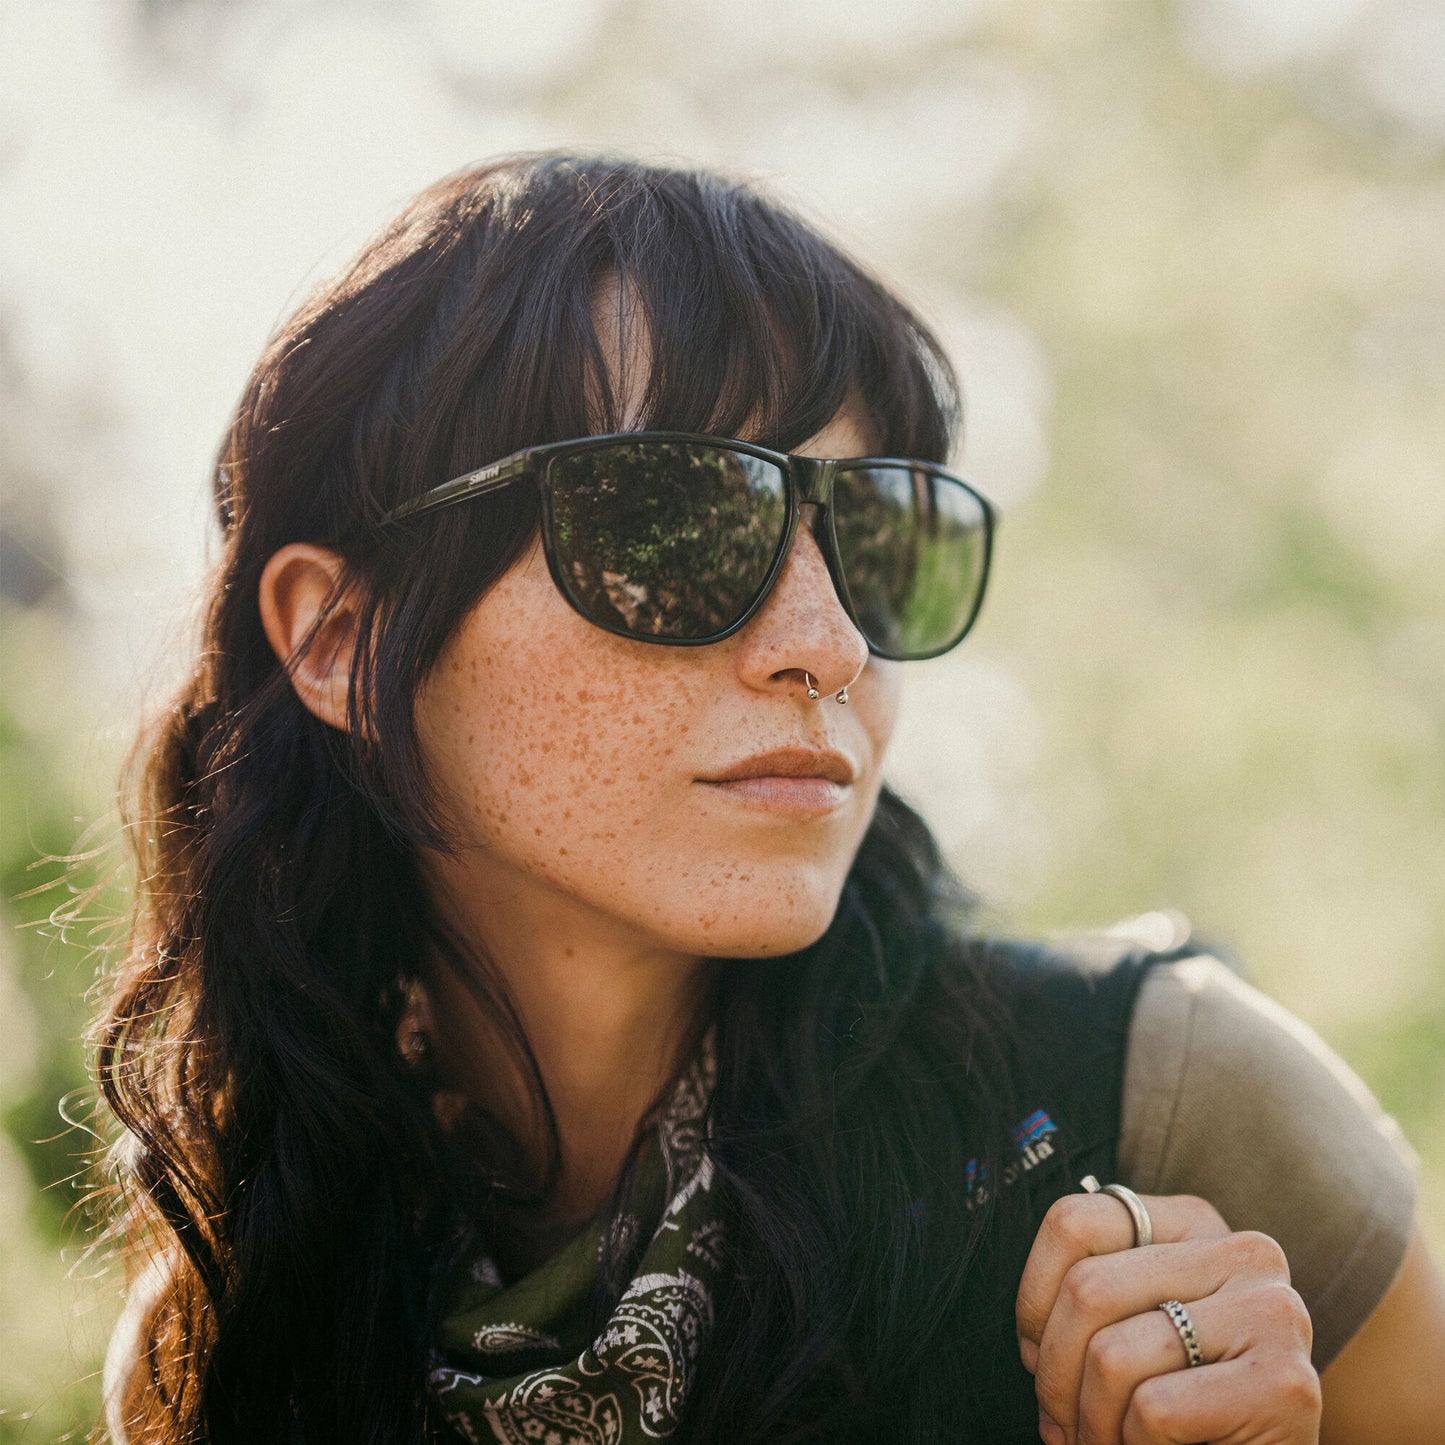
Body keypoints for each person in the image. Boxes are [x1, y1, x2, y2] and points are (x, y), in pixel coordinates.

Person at [96, 153, 1444, 1445]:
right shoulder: (232, 1331)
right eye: (675, 525)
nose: (829, 641)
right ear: (341, 637)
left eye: (871, 537)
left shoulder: (1166, 1118)